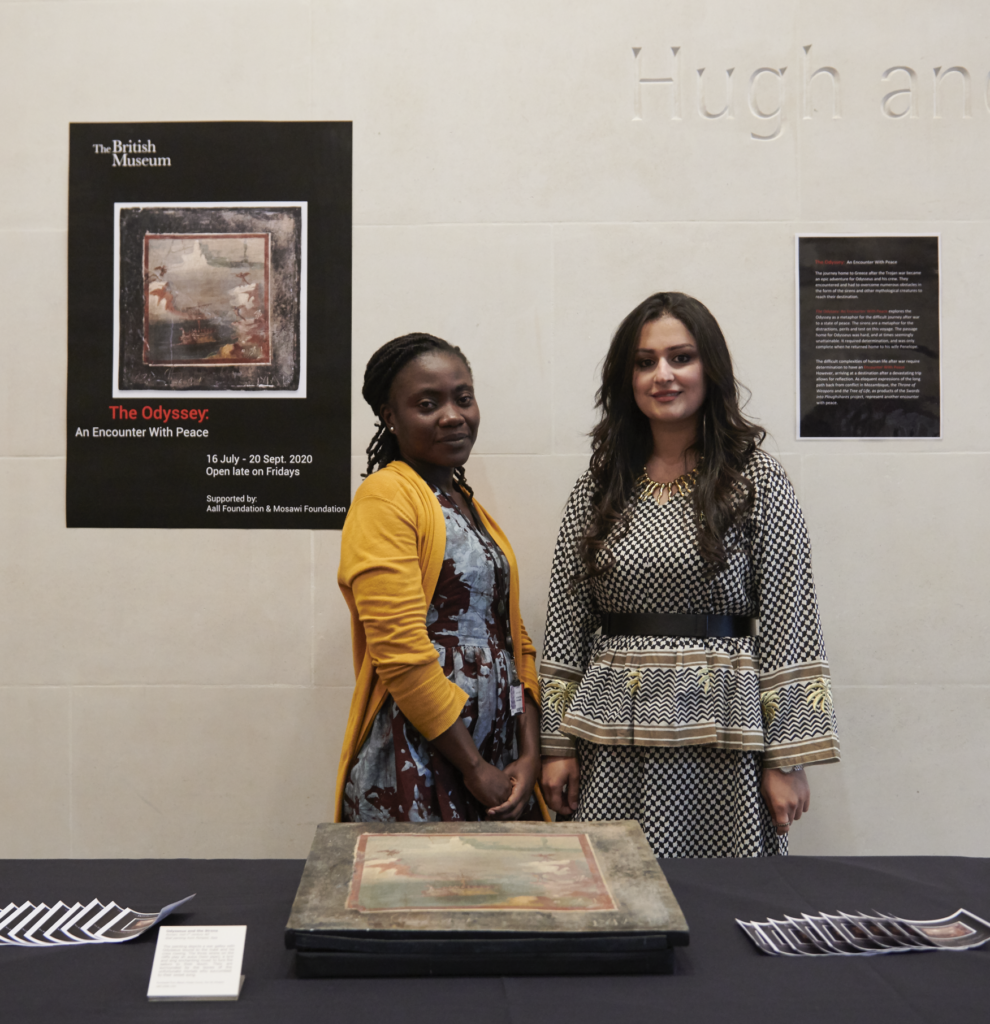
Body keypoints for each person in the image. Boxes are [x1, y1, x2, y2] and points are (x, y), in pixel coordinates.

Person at [539, 293, 839, 858]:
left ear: (711, 370)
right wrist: (557, 745)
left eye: (681, 357)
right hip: (613, 733)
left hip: (722, 730)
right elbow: (565, 621)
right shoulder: (599, 486)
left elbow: (789, 620)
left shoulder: (757, 480)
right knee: (616, 889)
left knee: (724, 897)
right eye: (645, 361)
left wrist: (788, 760)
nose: (663, 375)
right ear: (626, 377)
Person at [335, 332, 545, 823]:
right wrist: (472, 766)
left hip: (497, 756)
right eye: (428, 404)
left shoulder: (463, 504)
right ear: (391, 416)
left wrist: (529, 752)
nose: (453, 415)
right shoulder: (386, 498)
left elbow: (515, 640)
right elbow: (400, 652)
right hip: (421, 760)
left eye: (463, 398)